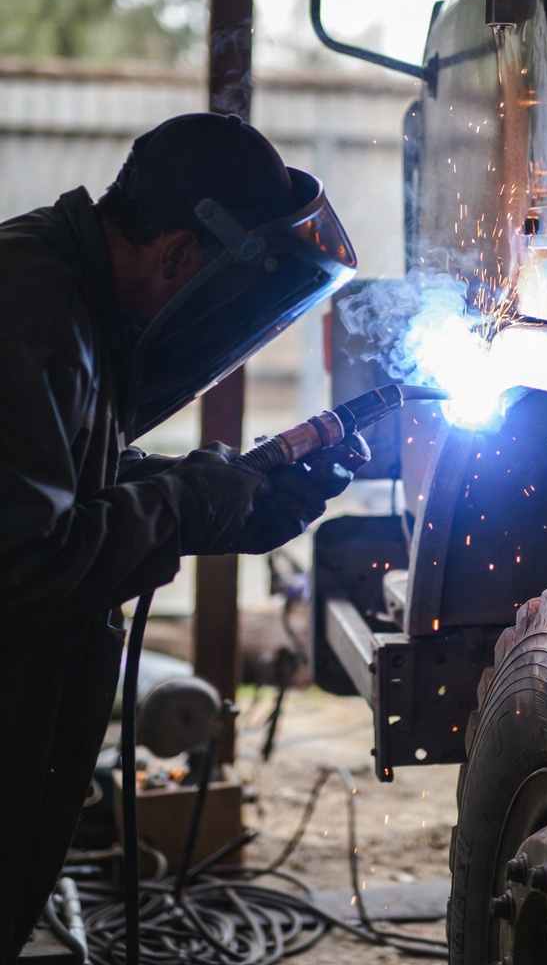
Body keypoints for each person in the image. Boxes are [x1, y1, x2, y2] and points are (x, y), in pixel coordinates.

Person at [0, 112, 367, 963]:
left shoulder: (69, 296)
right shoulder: (32, 308)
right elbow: (22, 558)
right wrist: (188, 502)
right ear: (179, 257)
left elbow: (64, 488)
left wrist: (235, 508)